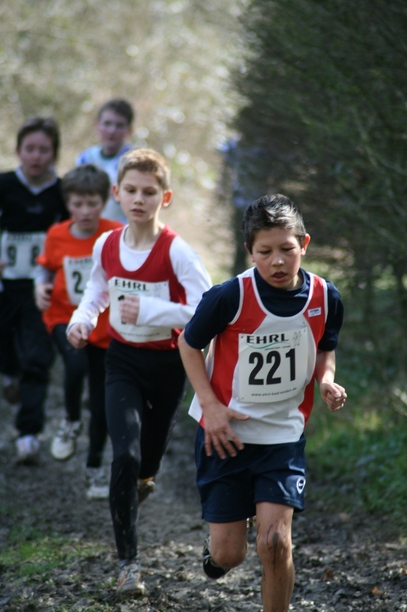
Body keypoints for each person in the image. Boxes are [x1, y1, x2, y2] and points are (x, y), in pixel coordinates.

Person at [178, 194, 347, 612]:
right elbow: (188, 344)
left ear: (304, 244)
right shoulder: (229, 296)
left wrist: (326, 379)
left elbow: (324, 347)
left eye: (287, 249)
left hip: (282, 435)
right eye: (265, 251)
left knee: (274, 543)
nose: (277, 261)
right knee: (229, 555)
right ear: (249, 252)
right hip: (225, 435)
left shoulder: (325, 297)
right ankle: (220, 547)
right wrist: (210, 406)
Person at [66, 148, 212, 595]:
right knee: (124, 456)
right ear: (117, 193)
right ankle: (128, 565)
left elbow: (207, 309)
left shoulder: (177, 251)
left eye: (149, 192)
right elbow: (97, 289)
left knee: (146, 462)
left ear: (164, 198)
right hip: (122, 360)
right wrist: (81, 319)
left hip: (168, 364)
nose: (138, 199)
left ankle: (144, 480)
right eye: (130, 190)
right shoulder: (106, 244)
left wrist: (151, 310)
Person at [34, 164, 123, 498]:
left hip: (104, 326)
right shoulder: (57, 234)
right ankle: (71, 420)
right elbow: (44, 268)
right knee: (74, 363)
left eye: (92, 203)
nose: (85, 211)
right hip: (62, 316)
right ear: (67, 202)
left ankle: (94, 468)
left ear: (104, 201)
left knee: (101, 402)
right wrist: (39, 287)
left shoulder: (116, 234)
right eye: (77, 204)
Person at [0, 116, 69, 465]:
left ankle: (28, 434)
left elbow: (72, 233)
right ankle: (8, 373)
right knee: (7, 351)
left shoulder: (62, 192)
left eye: (44, 149)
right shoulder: (4, 184)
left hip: (41, 288)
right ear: (18, 150)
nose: (36, 156)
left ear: (54, 153)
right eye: (30, 148)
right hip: (4, 285)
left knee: (38, 358)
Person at [76, 98, 135, 223]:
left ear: (129, 130)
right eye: (107, 124)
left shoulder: (135, 160)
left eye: (119, 125)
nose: (112, 131)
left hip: (123, 227)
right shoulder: (86, 158)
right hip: (91, 226)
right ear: (96, 125)